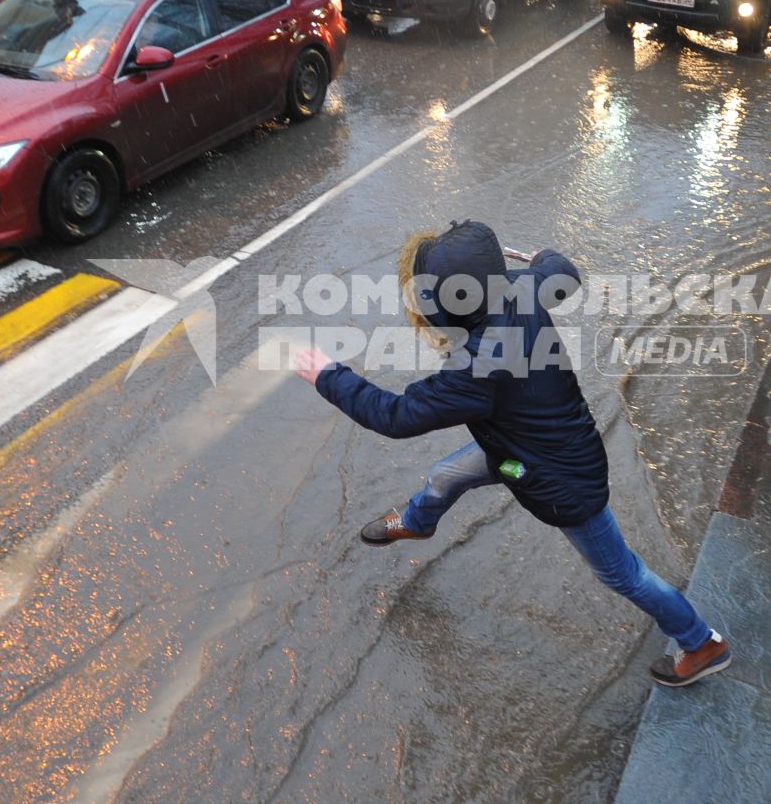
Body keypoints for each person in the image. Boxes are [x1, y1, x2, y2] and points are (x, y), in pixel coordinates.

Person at [290, 220, 731, 688]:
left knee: (624, 574)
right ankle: (419, 523)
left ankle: (701, 642)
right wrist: (538, 256)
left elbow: (396, 417)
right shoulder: (521, 289)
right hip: (516, 449)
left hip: (560, 479)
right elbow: (563, 271)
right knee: (448, 473)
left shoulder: (476, 368)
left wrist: (329, 376)